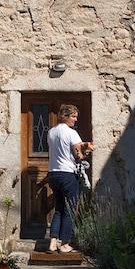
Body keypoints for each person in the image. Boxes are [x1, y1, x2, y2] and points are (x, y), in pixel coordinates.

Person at [46, 103, 94, 254]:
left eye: (76, 117)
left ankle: (53, 242)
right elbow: (78, 155)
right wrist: (86, 152)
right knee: (70, 209)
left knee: (59, 208)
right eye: (73, 116)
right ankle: (65, 243)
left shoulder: (51, 132)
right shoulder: (72, 133)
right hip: (67, 173)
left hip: (53, 173)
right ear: (65, 116)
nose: (75, 120)